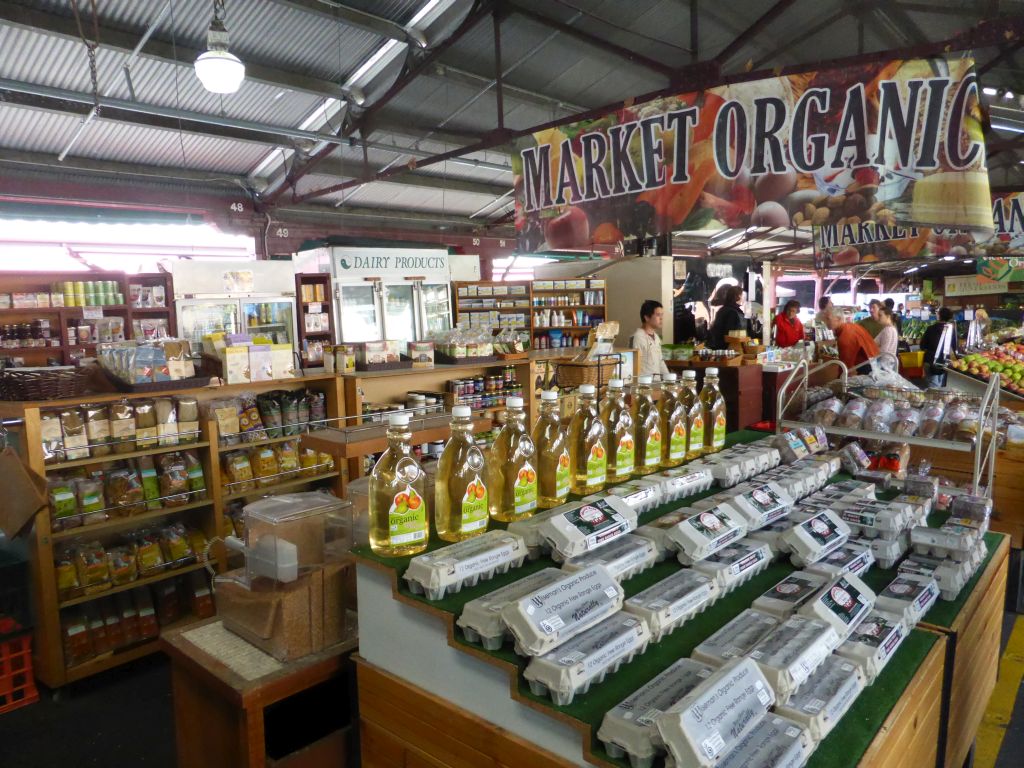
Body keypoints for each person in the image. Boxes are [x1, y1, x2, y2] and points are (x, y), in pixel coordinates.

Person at [822, 307, 879, 372]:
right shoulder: (850, 327)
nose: (825, 322)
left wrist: (839, 380)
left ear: (838, 319)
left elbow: (845, 366)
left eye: (828, 319)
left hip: (868, 364)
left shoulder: (846, 335)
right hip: (872, 360)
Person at [630, 299, 670, 377]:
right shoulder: (638, 337)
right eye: (658, 315)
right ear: (647, 317)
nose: (661, 318)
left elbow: (661, 362)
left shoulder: (657, 337)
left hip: (656, 384)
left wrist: (670, 379)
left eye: (662, 315)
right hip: (644, 385)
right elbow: (634, 365)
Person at [921, 307, 958, 388]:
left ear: (939, 316)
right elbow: (954, 347)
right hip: (944, 361)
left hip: (930, 360)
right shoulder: (951, 330)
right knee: (940, 386)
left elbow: (922, 345)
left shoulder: (930, 329)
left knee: (932, 387)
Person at [708, 285, 746, 349]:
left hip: (720, 345)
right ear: (738, 296)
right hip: (730, 347)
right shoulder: (733, 312)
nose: (743, 298)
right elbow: (730, 333)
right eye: (742, 295)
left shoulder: (723, 310)